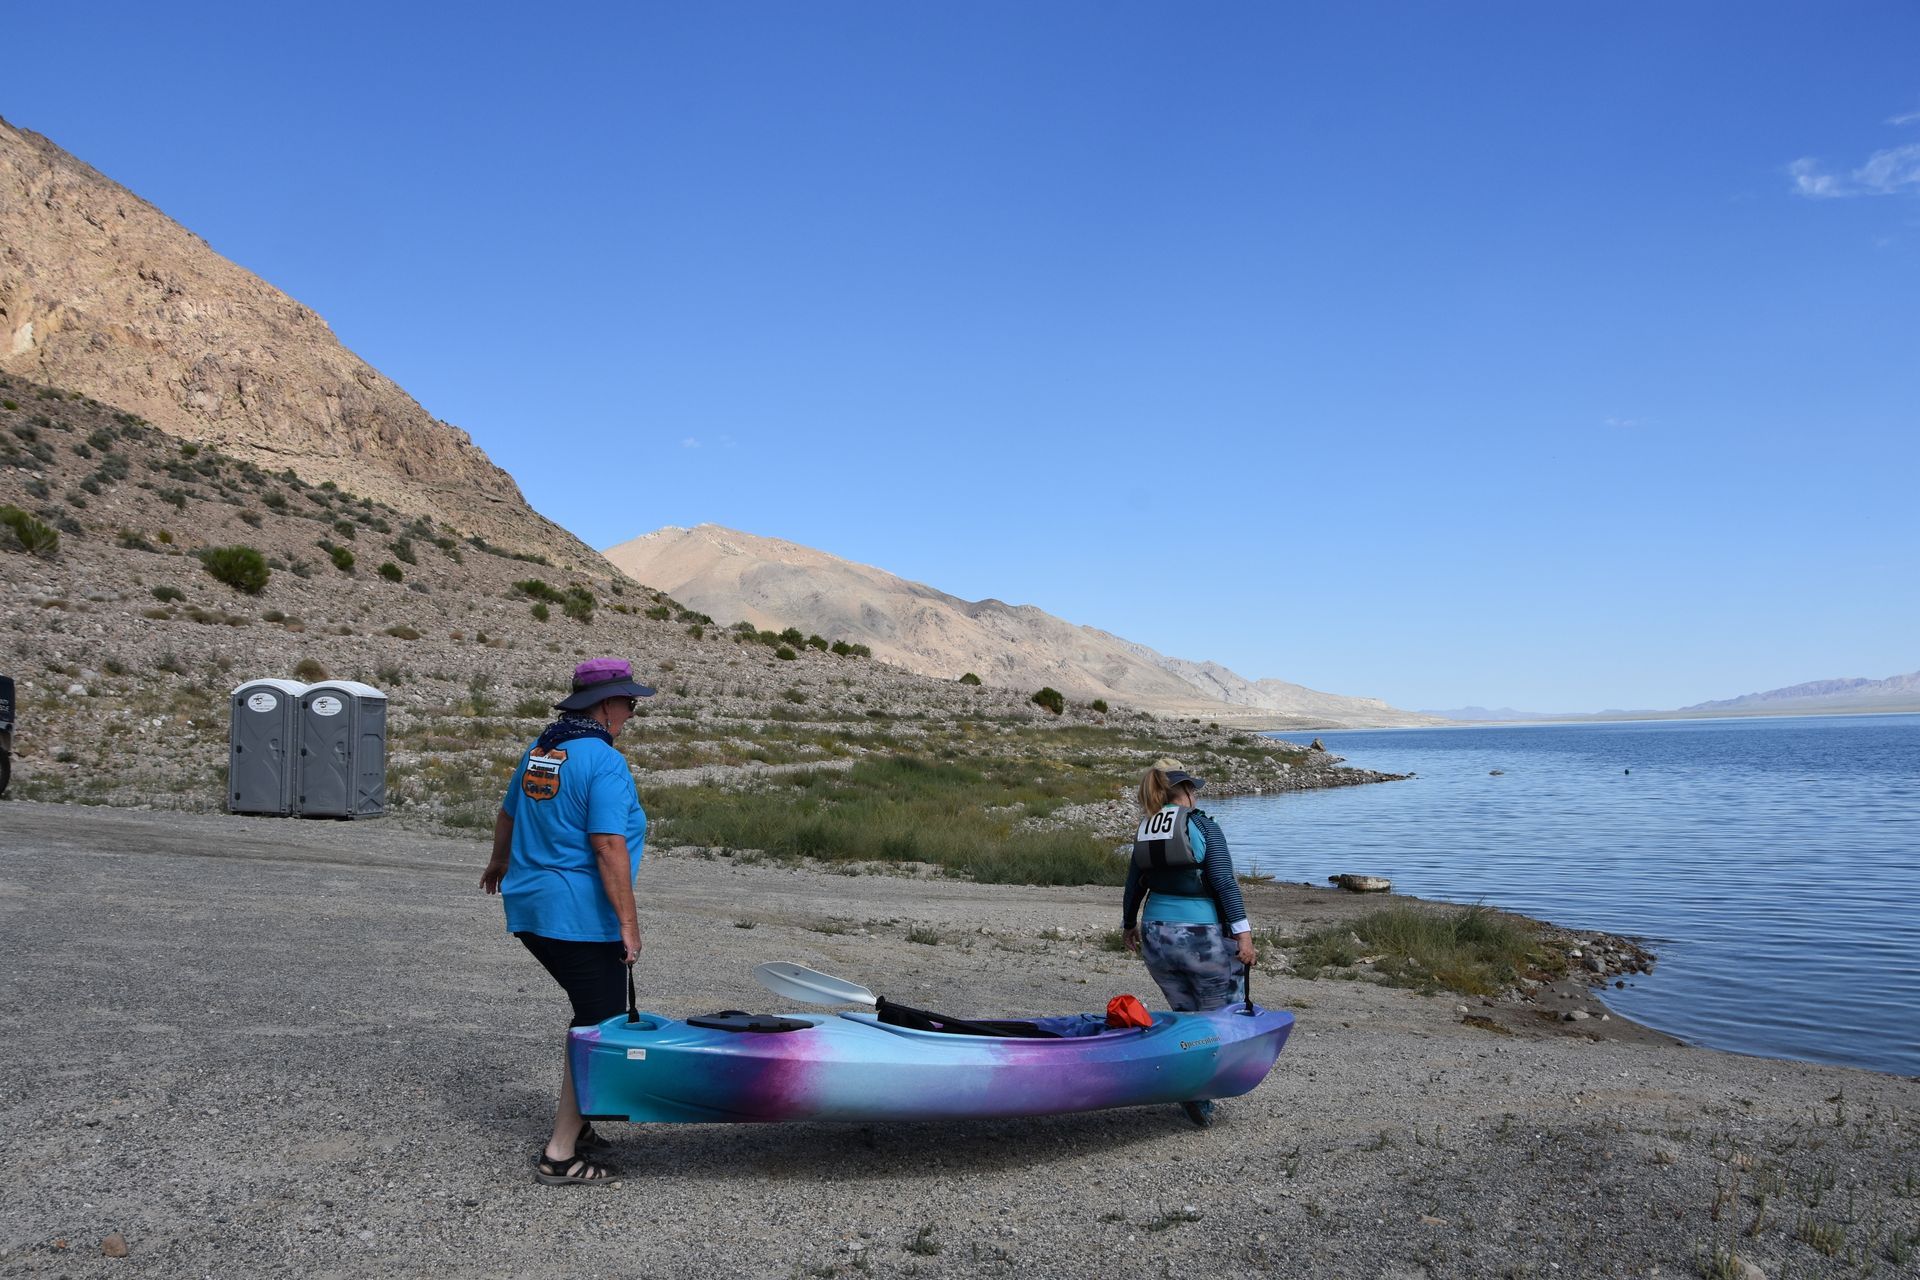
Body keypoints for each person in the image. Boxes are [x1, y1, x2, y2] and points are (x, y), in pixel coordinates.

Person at [481, 657, 652, 1185]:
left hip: (533, 907)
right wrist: (628, 921)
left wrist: (499, 863)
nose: (631, 713)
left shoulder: (542, 751)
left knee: (592, 1014)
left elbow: (509, 813)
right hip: (576, 914)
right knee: (597, 1027)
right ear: (605, 705)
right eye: (629, 703)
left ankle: (577, 1129)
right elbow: (606, 842)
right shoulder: (603, 761)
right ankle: (559, 1154)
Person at [1122, 759, 1258, 1128]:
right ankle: (1199, 1090)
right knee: (1218, 1017)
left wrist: (1128, 926)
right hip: (1199, 936)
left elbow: (1135, 882)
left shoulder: (1145, 829)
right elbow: (1224, 882)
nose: (1196, 794)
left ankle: (1188, 1078)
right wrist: (1243, 935)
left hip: (1155, 936)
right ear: (1184, 791)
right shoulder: (1202, 825)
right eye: (1192, 788)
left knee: (1185, 1013)